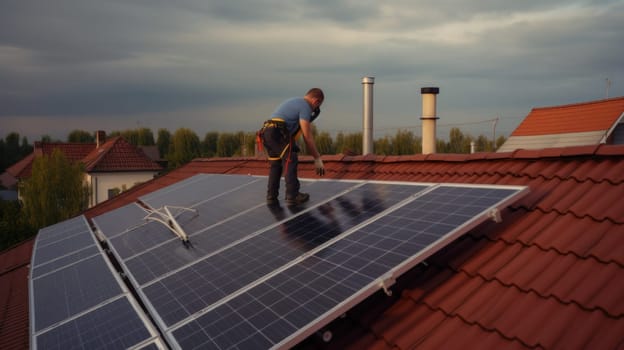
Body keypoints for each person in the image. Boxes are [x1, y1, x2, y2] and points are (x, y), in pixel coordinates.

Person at [259, 88, 326, 205]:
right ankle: (293, 195)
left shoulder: (296, 101)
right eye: (317, 106)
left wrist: (313, 116)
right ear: (316, 101)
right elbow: (307, 136)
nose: (314, 110)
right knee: (291, 158)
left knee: (276, 165)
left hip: (267, 133)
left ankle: (271, 196)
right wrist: (317, 158)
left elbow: (296, 124)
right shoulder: (305, 106)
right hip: (278, 132)